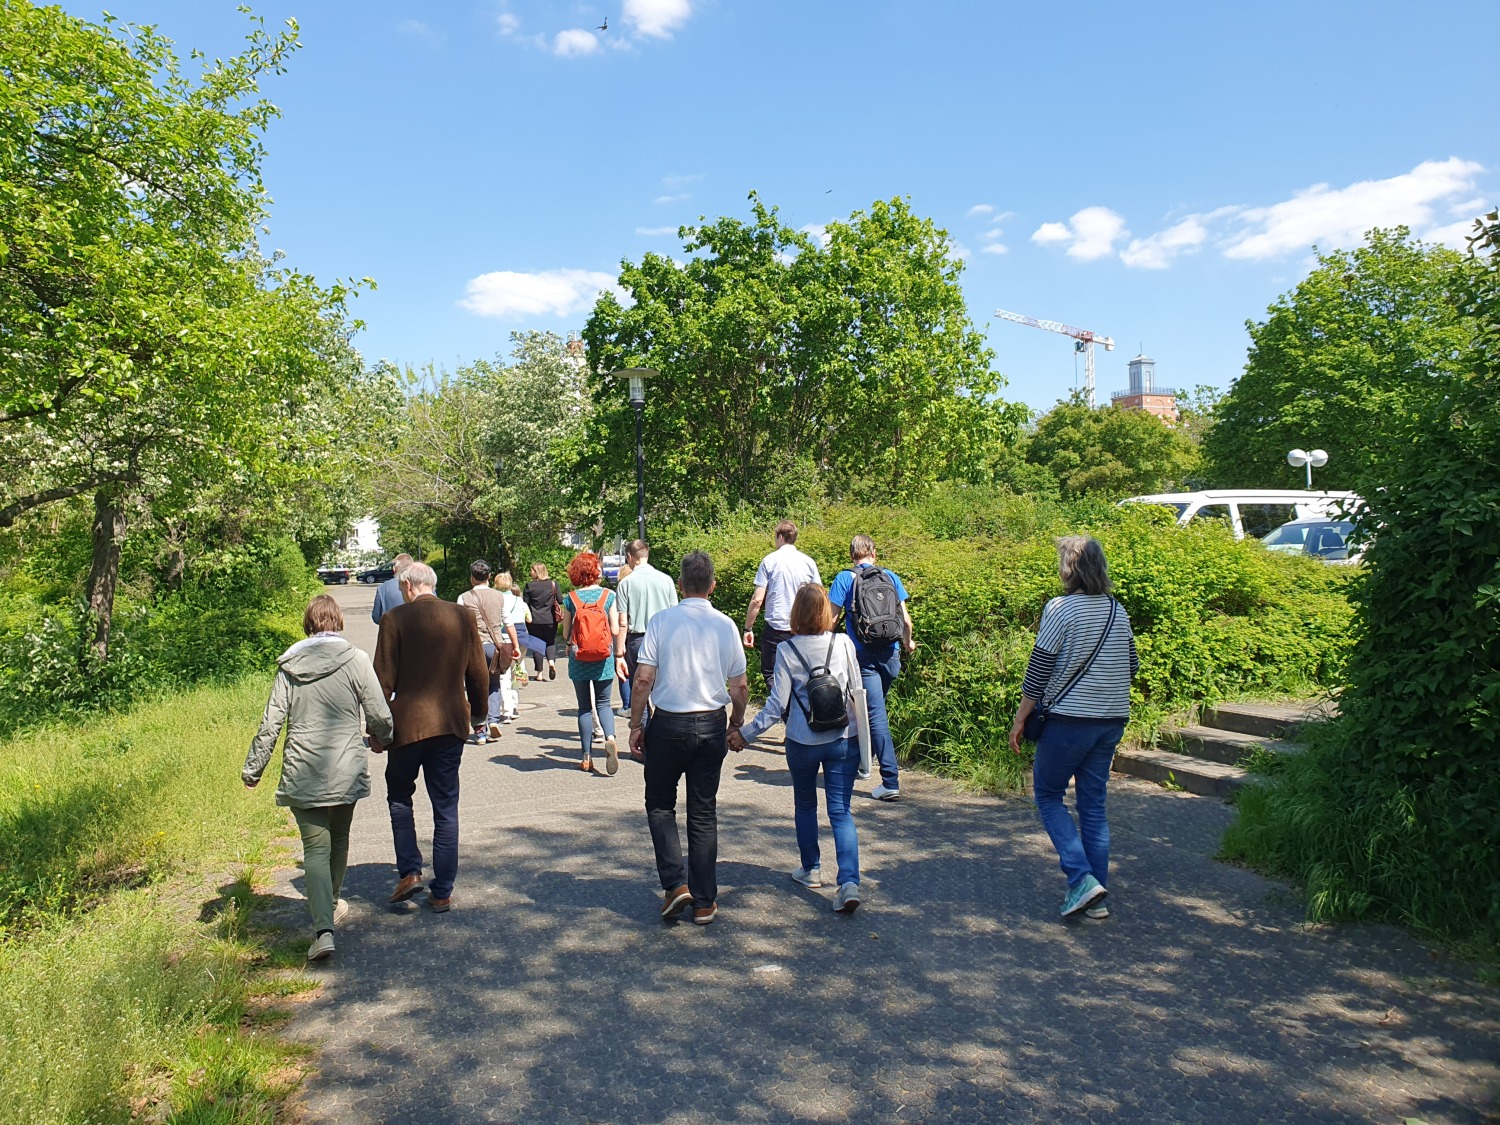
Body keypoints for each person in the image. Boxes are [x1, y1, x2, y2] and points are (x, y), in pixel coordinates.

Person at [243, 595, 393, 961]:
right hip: (345, 766)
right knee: (339, 839)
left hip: (303, 767)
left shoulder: (290, 666)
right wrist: (383, 738)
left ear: (308, 624)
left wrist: (254, 769)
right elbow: (378, 711)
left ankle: (323, 929)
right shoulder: (356, 659)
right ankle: (332, 903)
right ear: (339, 621)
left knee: (314, 849)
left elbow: (271, 722)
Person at [1008, 536, 1138, 920]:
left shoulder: (1060, 608)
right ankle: (1096, 896)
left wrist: (1020, 719)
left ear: (1068, 569)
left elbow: (1039, 670)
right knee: (1093, 806)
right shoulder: (1117, 609)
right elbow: (1131, 665)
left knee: (1048, 795)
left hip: (1068, 721)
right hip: (1111, 720)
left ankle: (1081, 879)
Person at [630, 551, 749, 926]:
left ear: (680, 585)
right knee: (703, 811)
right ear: (712, 585)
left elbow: (643, 678)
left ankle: (674, 884)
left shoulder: (661, 621)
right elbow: (739, 686)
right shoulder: (725, 625)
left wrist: (635, 724)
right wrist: (736, 722)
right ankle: (704, 901)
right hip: (711, 724)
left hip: (667, 724)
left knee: (660, 805)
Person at [732, 583, 863, 913]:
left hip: (803, 741)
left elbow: (776, 706)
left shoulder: (787, 650)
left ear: (796, 614)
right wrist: (865, 743)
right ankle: (849, 883)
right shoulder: (844, 643)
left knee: (805, 804)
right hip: (842, 738)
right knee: (841, 811)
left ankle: (811, 869)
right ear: (826, 612)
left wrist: (746, 734)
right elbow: (857, 693)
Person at [372, 562, 489, 913]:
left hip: (407, 726)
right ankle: (442, 892)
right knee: (445, 806)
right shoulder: (462, 616)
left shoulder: (394, 619)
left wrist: (376, 730)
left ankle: (410, 871)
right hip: (450, 724)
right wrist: (479, 715)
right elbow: (478, 673)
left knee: (399, 796)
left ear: (409, 586)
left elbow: (382, 682)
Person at [827, 534, 916, 801]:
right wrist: (908, 643)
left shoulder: (844, 578)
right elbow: (906, 621)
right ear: (874, 553)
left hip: (863, 656)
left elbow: (831, 620)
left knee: (873, 715)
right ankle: (863, 764)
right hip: (891, 654)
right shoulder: (890, 576)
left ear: (851, 554)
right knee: (871, 712)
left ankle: (889, 781)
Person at [559, 551, 623, 774]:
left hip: (579, 658)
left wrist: (572, 640)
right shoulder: (608, 596)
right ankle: (611, 738)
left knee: (585, 707)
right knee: (604, 703)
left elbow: (566, 633)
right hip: (603, 658)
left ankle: (586, 757)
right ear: (596, 572)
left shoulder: (571, 598)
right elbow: (615, 629)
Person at [613, 539, 679, 737]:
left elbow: (623, 622)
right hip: (664, 639)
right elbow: (676, 614)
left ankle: (642, 736)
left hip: (638, 640)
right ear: (647, 555)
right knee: (665, 688)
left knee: (640, 690)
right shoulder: (666, 580)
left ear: (629, 557)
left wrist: (619, 653)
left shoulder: (625, 583)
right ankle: (664, 735)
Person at [742, 520, 821, 682]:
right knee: (802, 676)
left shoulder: (769, 561)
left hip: (776, 629)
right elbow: (819, 597)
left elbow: (757, 600)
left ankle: (779, 699)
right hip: (803, 627)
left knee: (772, 675)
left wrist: (748, 628)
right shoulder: (808, 562)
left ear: (779, 537)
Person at [456, 559, 511, 741]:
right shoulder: (500, 596)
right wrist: (515, 645)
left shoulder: (463, 597)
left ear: (472, 577)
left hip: (474, 648)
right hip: (495, 647)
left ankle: (480, 730)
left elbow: (459, 626)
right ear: (489, 576)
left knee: (475, 687)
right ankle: (494, 720)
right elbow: (508, 622)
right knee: (494, 684)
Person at [522, 563, 562, 680]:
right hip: (550, 620)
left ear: (537, 572)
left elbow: (525, 603)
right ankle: (551, 663)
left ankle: (539, 674)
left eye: (532, 570)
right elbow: (560, 600)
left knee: (537, 645)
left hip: (534, 620)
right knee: (550, 643)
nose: (530, 573)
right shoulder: (553, 584)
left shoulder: (529, 586)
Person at [371, 553, 414, 625]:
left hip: (392, 629)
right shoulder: (425, 585)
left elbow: (376, 617)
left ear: (394, 569)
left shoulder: (383, 588)